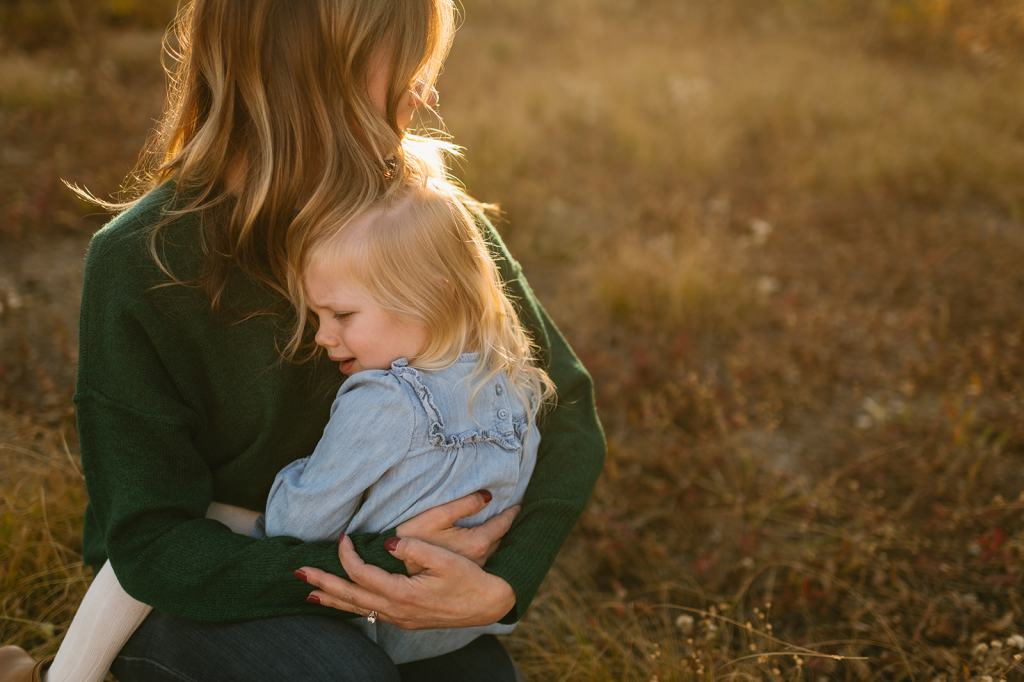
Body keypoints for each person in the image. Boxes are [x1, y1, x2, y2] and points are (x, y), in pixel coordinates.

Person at [0, 1, 605, 681]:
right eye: (407, 66)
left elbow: (566, 406)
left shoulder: (417, 218)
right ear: (309, 72)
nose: (426, 93)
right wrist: (379, 565)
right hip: (200, 582)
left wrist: (501, 585)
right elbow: (152, 544)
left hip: (377, 584)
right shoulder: (145, 260)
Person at [38, 180, 556, 680]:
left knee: (211, 523)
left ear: (432, 295)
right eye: (317, 315)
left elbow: (297, 524)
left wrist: (294, 481)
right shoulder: (517, 384)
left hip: (369, 612)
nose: (322, 336)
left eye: (342, 315)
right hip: (444, 628)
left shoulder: (384, 401)